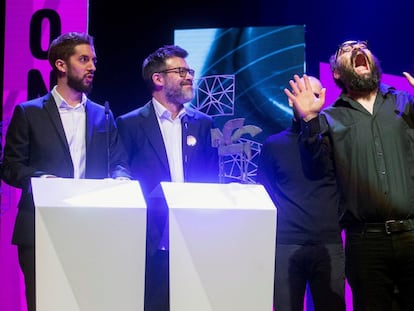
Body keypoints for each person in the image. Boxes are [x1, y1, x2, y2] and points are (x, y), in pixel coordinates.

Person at [0, 31, 131, 311]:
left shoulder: (103, 114)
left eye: (94, 60)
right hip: (40, 227)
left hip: (91, 227)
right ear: (61, 65)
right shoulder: (29, 112)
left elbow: (119, 161)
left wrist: (121, 179)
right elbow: (10, 166)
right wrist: (41, 181)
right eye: (83, 59)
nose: (92, 67)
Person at [284, 40, 414, 311]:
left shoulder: (406, 101)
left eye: (363, 46)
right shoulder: (330, 118)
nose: (357, 50)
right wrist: (308, 121)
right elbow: (315, 170)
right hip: (366, 242)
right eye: (346, 50)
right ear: (337, 74)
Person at [116, 44, 219, 311]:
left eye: (189, 71)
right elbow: (121, 172)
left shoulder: (202, 123)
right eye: (180, 71)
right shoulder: (129, 124)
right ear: (158, 79)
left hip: (196, 238)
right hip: (151, 241)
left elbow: (211, 178)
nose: (188, 76)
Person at [256, 76, 345, 311]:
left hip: (328, 243)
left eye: (314, 95)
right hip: (286, 244)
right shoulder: (273, 144)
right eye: (301, 94)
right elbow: (264, 193)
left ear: (323, 100)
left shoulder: (335, 141)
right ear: (290, 100)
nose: (307, 100)